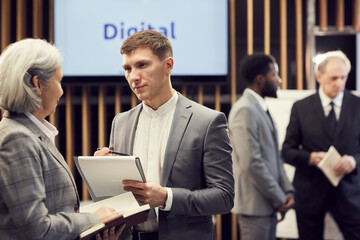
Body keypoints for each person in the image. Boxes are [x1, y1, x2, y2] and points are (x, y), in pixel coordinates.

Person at [95, 30, 234, 240]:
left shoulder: (207, 121)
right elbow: (119, 196)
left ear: (168, 65)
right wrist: (103, 174)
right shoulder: (120, 122)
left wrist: (167, 197)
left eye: (142, 65)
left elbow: (224, 197)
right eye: (127, 68)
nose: (133, 77)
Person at [0, 38, 124, 240]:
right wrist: (93, 219)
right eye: (59, 81)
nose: (62, 91)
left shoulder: (31, 133)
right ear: (38, 83)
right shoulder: (18, 138)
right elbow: (37, 229)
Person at [282, 50, 360, 239]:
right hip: (310, 193)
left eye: (343, 78)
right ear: (319, 76)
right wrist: (310, 158)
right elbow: (286, 151)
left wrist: (355, 161)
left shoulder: (358, 105)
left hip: (350, 195)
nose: (339, 83)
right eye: (334, 78)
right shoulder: (300, 107)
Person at [228, 53, 294, 240]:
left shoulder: (258, 107)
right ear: (260, 79)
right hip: (255, 206)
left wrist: (287, 191)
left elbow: (274, 157)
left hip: (267, 203)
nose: (279, 80)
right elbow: (252, 163)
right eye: (275, 75)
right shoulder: (244, 109)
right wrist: (279, 197)